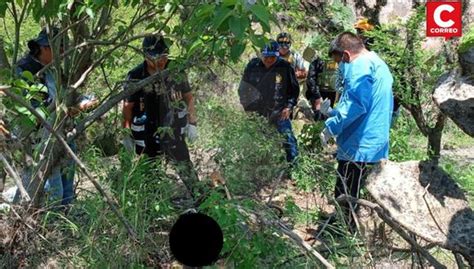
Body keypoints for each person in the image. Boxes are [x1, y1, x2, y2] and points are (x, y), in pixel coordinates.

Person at [319, 32, 393, 232]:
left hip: (359, 142)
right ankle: (347, 223)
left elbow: (356, 105)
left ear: (345, 55)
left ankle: (344, 230)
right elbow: (363, 103)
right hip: (372, 139)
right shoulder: (377, 62)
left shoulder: (359, 65)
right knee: (355, 186)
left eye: (339, 61)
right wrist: (332, 113)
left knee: (346, 188)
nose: (341, 67)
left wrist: (331, 127)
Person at [122, 35, 199, 196]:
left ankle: (202, 200)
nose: (162, 61)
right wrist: (126, 133)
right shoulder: (136, 75)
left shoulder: (175, 70)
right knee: (150, 174)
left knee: (185, 168)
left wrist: (192, 123)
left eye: (164, 56)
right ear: (146, 56)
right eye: (157, 58)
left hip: (173, 130)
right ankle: (152, 208)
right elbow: (128, 107)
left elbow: (188, 97)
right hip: (147, 132)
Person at [15, 27, 79, 207]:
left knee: (66, 187)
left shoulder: (55, 69)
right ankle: (51, 229)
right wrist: (64, 110)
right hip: (42, 137)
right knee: (53, 190)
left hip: (63, 131)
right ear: (43, 48)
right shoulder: (24, 70)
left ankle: (64, 224)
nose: (62, 53)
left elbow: (66, 94)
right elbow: (32, 111)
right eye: (58, 49)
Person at [238, 40, 299, 166]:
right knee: (253, 139)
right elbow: (243, 89)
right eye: (267, 57)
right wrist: (247, 107)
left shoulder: (285, 67)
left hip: (279, 110)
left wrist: (289, 107)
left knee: (288, 138)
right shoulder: (253, 66)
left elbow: (294, 90)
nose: (269, 60)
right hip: (257, 111)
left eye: (273, 57)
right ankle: (255, 166)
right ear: (261, 55)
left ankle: (294, 167)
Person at [306, 40, 345, 121]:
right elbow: (311, 79)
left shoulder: (340, 58)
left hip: (332, 94)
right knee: (319, 117)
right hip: (318, 93)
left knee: (328, 117)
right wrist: (317, 97)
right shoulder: (318, 59)